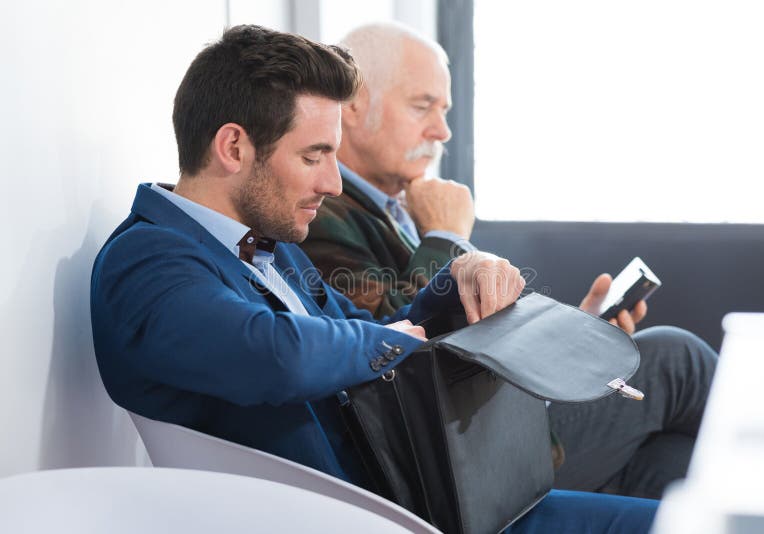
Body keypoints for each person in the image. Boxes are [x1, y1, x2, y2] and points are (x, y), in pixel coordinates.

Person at [91, 25, 659, 532]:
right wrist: (392, 342)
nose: (333, 182)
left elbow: (370, 327)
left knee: (683, 502)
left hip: (430, 498)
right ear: (234, 146)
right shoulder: (148, 262)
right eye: (314, 156)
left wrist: (458, 280)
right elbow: (276, 353)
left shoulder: (268, 248)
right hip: (374, 515)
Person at [299, 21, 718, 500]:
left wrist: (568, 343)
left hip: (504, 418)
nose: (442, 130)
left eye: (444, 109)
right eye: (422, 105)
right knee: (674, 356)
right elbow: (389, 351)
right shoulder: (319, 214)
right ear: (352, 106)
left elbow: (480, 335)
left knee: (673, 466)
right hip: (466, 455)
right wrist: (446, 238)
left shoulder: (403, 205)